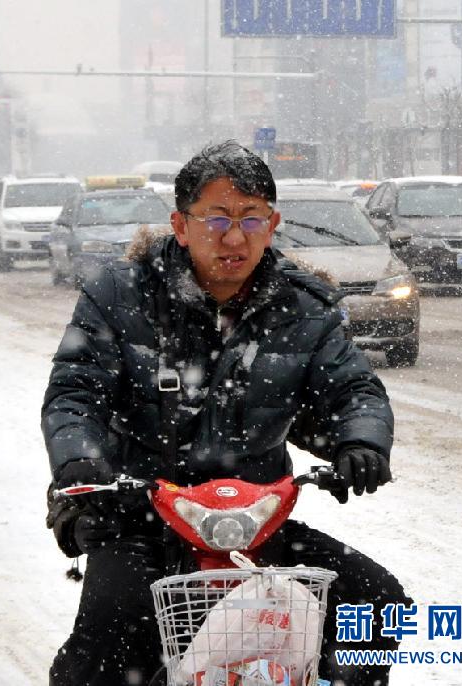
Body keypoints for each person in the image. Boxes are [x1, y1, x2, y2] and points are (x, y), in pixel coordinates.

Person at [42, 141, 409, 686]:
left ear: (272, 224)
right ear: (181, 225)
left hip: (254, 525)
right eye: (217, 218)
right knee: (110, 645)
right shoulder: (120, 295)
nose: (235, 237)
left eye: (250, 218)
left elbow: (352, 391)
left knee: (376, 603)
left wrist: (362, 442)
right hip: (141, 517)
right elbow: (75, 393)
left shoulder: (305, 308)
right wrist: (81, 464)